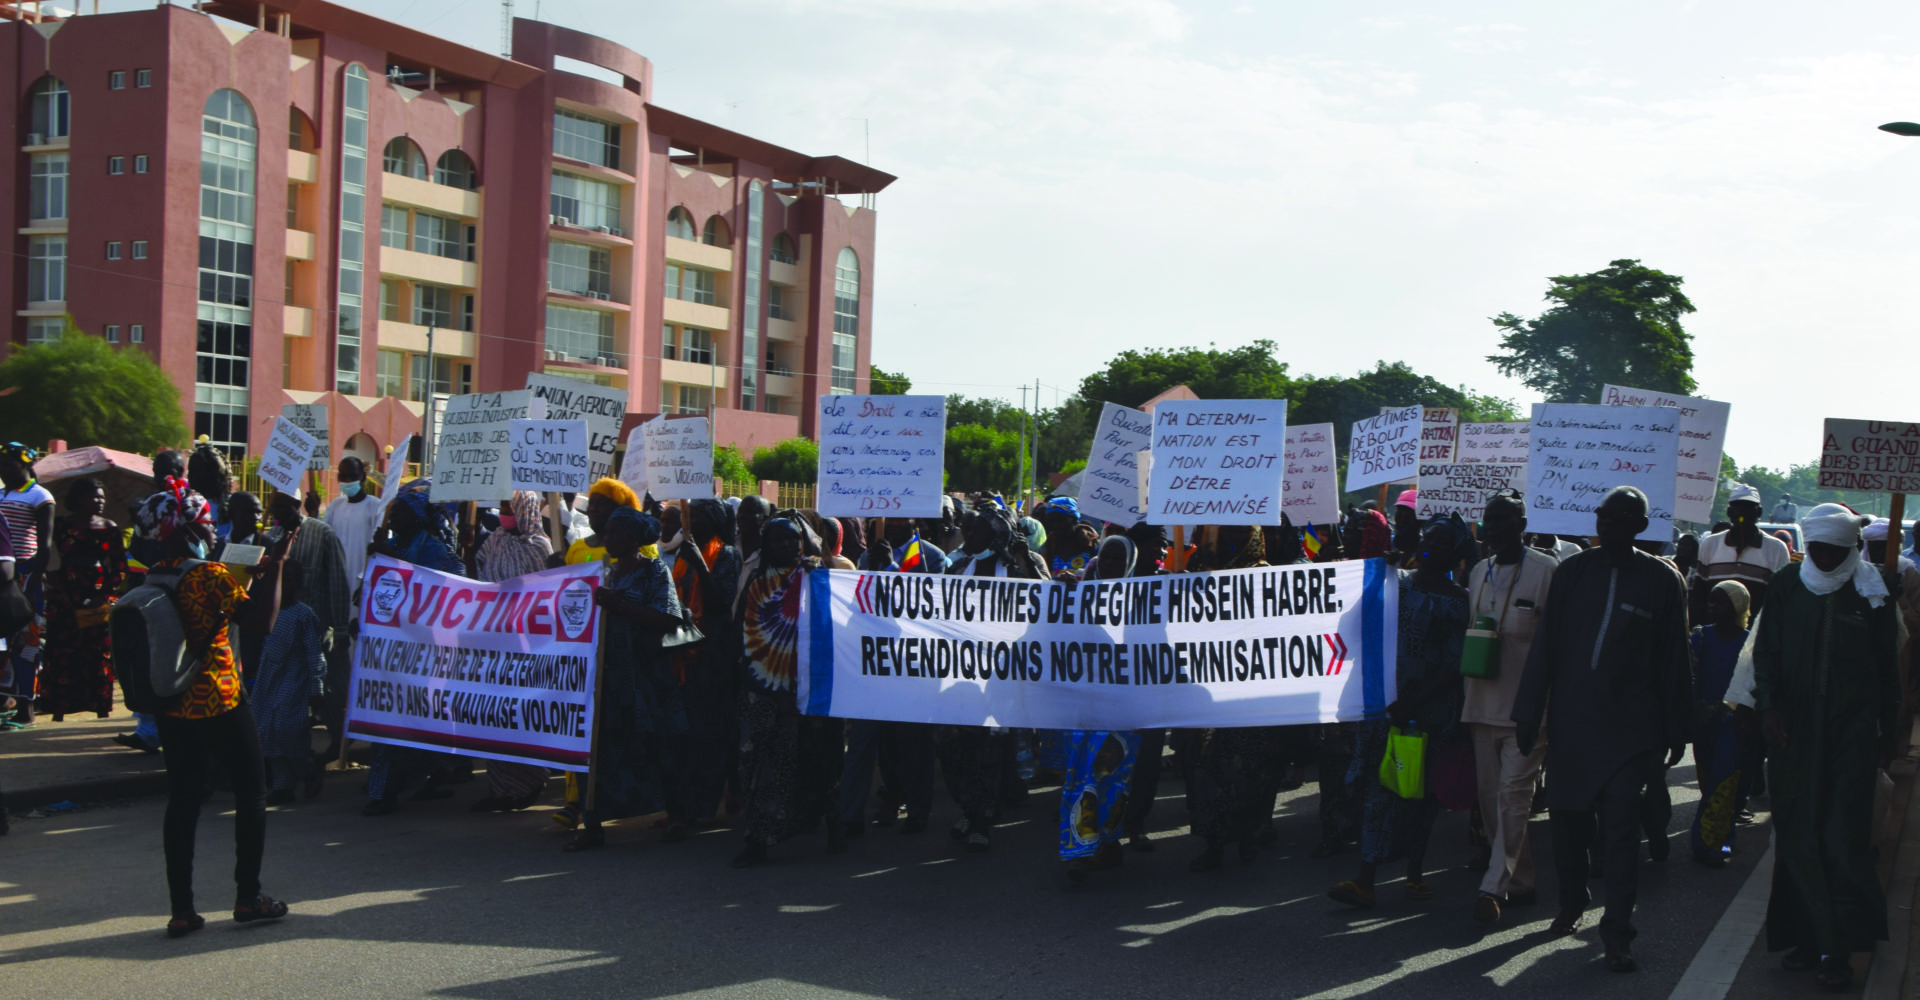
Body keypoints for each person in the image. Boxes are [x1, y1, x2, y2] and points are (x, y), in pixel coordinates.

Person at [1511, 485, 1691, 973]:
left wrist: (1677, 728)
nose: (1605, 524)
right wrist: (1528, 713)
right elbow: (1545, 647)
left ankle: (1617, 932)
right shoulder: (1572, 572)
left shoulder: (1661, 580)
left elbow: (1676, 657)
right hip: (1573, 724)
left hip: (1632, 732)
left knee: (1619, 831)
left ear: (1638, 525)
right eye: (1601, 516)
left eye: (1617, 518)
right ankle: (1571, 902)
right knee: (1568, 824)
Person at [128, 477, 289, 938]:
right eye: (206, 524)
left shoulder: (154, 573)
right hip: (218, 698)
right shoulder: (209, 576)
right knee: (252, 793)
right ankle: (248, 897)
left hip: (172, 704)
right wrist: (275, 565)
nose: (214, 531)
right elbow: (261, 622)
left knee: (182, 801)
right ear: (187, 530)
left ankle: (182, 910)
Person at [1753, 503, 1899, 991]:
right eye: (1817, 549)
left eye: (1837, 551)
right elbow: (1766, 653)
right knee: (1797, 835)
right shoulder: (1786, 587)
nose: (1826, 559)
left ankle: (1838, 949)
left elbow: (1888, 668)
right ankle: (1804, 936)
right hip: (1794, 734)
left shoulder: (1872, 593)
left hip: (1852, 735)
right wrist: (1769, 709)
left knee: (1840, 838)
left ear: (1852, 549)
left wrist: (1891, 733)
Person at [1328, 516, 1471, 910]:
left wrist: (1416, 700)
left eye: (1442, 543)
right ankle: (1365, 880)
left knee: (1419, 792)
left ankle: (1414, 872)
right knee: (1381, 788)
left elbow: (1453, 662)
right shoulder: (1397, 582)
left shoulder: (1459, 600)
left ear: (1455, 553)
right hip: (1386, 707)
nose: (1431, 545)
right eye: (1429, 538)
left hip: (1431, 711)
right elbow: (1353, 624)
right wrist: (1383, 573)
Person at [1460, 491, 1556, 925]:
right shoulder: (1480, 570)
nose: (1493, 527)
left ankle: (1491, 887)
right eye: (1487, 520)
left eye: (1502, 520)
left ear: (1522, 523)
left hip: (1526, 710)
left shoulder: (1545, 572)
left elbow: (1558, 645)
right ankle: (1522, 882)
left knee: (1514, 799)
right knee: (1490, 801)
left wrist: (1543, 707)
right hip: (1481, 704)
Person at [569, 506, 688, 851]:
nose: (607, 538)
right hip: (609, 678)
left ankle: (676, 816)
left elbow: (669, 620)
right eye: (606, 532)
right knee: (598, 751)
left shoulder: (653, 571)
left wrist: (618, 605)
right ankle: (592, 824)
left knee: (660, 748)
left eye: (615, 533)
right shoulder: (603, 573)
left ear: (633, 539)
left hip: (647, 677)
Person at [734, 516, 845, 867]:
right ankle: (758, 840)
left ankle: (833, 827)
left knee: (820, 762)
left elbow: (834, 629)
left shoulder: (816, 576)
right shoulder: (756, 581)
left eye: (791, 539)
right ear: (766, 546)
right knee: (763, 767)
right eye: (777, 540)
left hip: (813, 689)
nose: (785, 546)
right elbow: (747, 635)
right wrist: (776, 688)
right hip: (763, 691)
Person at [363, 481, 464, 815]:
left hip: (423, 652)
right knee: (387, 716)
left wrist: (393, 558)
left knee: (419, 717)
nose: (392, 520)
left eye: (401, 513)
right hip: (388, 653)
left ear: (418, 518)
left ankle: (410, 780)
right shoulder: (388, 545)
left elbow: (451, 585)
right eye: (393, 513)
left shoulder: (432, 549)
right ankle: (383, 789)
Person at [1189, 523, 1284, 872]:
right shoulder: (1204, 571)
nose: (1234, 538)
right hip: (1210, 688)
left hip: (1250, 693)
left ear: (1255, 536)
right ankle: (1214, 844)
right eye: (1228, 531)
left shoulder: (1264, 575)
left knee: (1248, 773)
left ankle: (1246, 840)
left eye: (1243, 532)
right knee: (1210, 770)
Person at [469, 491, 555, 812]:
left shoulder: (540, 546)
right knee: (496, 713)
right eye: (502, 505)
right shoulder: (494, 540)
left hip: (528, 646)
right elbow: (477, 581)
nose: (504, 511)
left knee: (521, 715)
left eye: (509, 506)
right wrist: (468, 548)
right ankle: (502, 788)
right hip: (495, 643)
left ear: (525, 508)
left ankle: (531, 781)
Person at [662, 498, 741, 826]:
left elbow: (720, 603)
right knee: (686, 737)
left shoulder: (727, 554)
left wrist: (700, 563)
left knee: (709, 736)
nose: (689, 523)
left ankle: (704, 807)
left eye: (696, 517)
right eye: (687, 516)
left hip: (713, 656)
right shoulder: (683, 551)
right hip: (684, 654)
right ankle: (683, 805)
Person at [262, 491, 352, 767]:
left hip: (319, 630)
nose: (277, 512)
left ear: (295, 505)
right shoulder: (271, 537)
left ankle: (339, 745)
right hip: (283, 631)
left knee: (330, 692)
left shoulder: (322, 533)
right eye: (273, 507)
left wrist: (339, 629)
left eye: (281, 506)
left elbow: (337, 582)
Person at [115, 448, 186, 753]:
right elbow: (137, 553)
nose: (162, 477)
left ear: (182, 473)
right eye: (158, 471)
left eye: (169, 471)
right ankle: (147, 731)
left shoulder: (193, 505)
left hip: (183, 599)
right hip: (149, 596)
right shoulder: (148, 508)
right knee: (146, 664)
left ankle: (177, 733)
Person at [38, 477, 126, 721]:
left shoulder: (109, 527)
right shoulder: (59, 525)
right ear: (77, 499)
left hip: (96, 594)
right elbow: (48, 557)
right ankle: (58, 708)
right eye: (93, 496)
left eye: (101, 497)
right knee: (61, 651)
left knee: (98, 652)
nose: (99, 501)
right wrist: (55, 585)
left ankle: (100, 706)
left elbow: (119, 567)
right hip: (62, 596)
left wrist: (103, 594)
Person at [1687, 581, 1752, 868]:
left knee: (1722, 780)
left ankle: (1706, 844)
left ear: (1737, 606)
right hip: (1703, 723)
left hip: (1732, 724)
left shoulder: (1750, 642)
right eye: (1711, 602)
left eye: (1720, 602)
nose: (1712, 607)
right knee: (1708, 781)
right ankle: (1725, 832)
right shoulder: (1701, 637)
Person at [251, 561, 326, 804]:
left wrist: (317, 687)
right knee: (267, 732)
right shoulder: (265, 610)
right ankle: (283, 787)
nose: (286, 584)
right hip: (266, 681)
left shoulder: (304, 615)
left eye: (291, 579)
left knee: (286, 729)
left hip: (292, 680)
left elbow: (315, 653)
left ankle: (308, 767)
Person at [0, 442, 54, 728]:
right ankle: (5, 698)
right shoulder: (0, 494)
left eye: (9, 464)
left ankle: (27, 706)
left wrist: (30, 587)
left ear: (26, 465)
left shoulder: (40, 496)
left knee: (26, 642)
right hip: (2, 576)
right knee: (1, 643)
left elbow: (44, 547)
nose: (4, 469)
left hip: (26, 575)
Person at [1691, 483, 1791, 621]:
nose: (1742, 512)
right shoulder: (1710, 544)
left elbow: (1781, 599)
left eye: (1749, 507)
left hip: (1754, 635)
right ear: (1729, 512)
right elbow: (1699, 595)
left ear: (1759, 512)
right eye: (1737, 506)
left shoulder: (1777, 549)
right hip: (1713, 633)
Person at [324, 455, 385, 590]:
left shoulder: (376, 507)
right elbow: (323, 536)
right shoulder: (335, 505)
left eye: (353, 476)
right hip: (336, 578)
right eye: (343, 476)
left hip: (362, 580)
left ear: (362, 477)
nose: (348, 481)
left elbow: (379, 546)